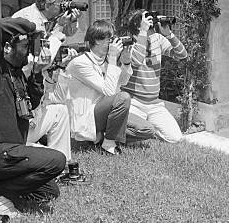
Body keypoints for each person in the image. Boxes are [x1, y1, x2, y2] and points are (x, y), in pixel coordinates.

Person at [0, 18, 66, 219]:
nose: (30, 51)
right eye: (25, 46)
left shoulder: (18, 74)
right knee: (57, 161)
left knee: (49, 192)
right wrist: (34, 29)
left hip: (10, 153)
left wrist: (37, 73)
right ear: (6, 47)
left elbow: (32, 104)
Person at [12, 0, 86, 184]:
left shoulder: (51, 17)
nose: (62, 7)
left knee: (59, 110)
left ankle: (60, 168)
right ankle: (39, 155)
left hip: (38, 76)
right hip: (25, 79)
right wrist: (59, 28)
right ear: (45, 4)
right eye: (58, 4)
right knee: (33, 110)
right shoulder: (29, 20)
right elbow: (40, 56)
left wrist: (71, 22)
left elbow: (67, 35)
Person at [65, 20, 132, 155]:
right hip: (88, 114)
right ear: (97, 40)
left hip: (103, 111)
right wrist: (113, 57)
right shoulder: (80, 63)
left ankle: (100, 135)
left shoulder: (105, 61)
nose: (113, 43)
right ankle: (108, 143)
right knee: (123, 98)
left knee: (145, 129)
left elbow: (123, 82)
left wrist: (126, 61)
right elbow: (110, 92)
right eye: (110, 39)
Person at [122, 10, 188, 143]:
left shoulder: (157, 39)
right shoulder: (128, 43)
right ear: (137, 26)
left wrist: (169, 35)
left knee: (175, 138)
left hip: (154, 104)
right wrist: (143, 32)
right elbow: (136, 60)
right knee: (134, 139)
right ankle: (137, 131)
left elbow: (182, 55)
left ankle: (148, 128)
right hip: (133, 102)